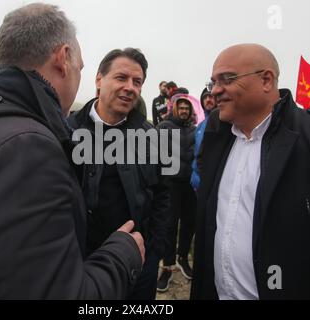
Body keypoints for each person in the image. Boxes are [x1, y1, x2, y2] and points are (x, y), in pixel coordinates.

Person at [0, 3, 144, 299]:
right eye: (81, 67)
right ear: (64, 59)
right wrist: (121, 255)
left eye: (138, 82)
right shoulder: (28, 150)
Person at [190, 43, 310, 300]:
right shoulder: (216, 136)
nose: (216, 91)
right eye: (213, 83)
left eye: (227, 79)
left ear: (266, 80)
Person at [68, 48, 170, 300]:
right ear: (99, 79)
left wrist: (153, 250)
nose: (130, 87)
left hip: (139, 262)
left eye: (137, 82)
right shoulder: (66, 132)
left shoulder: (153, 137)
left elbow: (164, 194)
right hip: (80, 261)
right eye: (121, 77)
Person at [156, 94, 196, 292]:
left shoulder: (194, 129)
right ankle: (168, 266)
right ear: (174, 109)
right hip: (170, 184)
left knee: (189, 223)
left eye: (187, 109)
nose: (184, 111)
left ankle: (182, 258)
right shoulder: (163, 127)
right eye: (181, 108)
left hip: (189, 185)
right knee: (169, 226)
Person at [190, 88, 217, 190]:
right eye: (205, 97)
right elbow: (196, 153)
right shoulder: (200, 126)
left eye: (211, 96)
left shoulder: (222, 121)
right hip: (197, 181)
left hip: (212, 180)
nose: (208, 99)